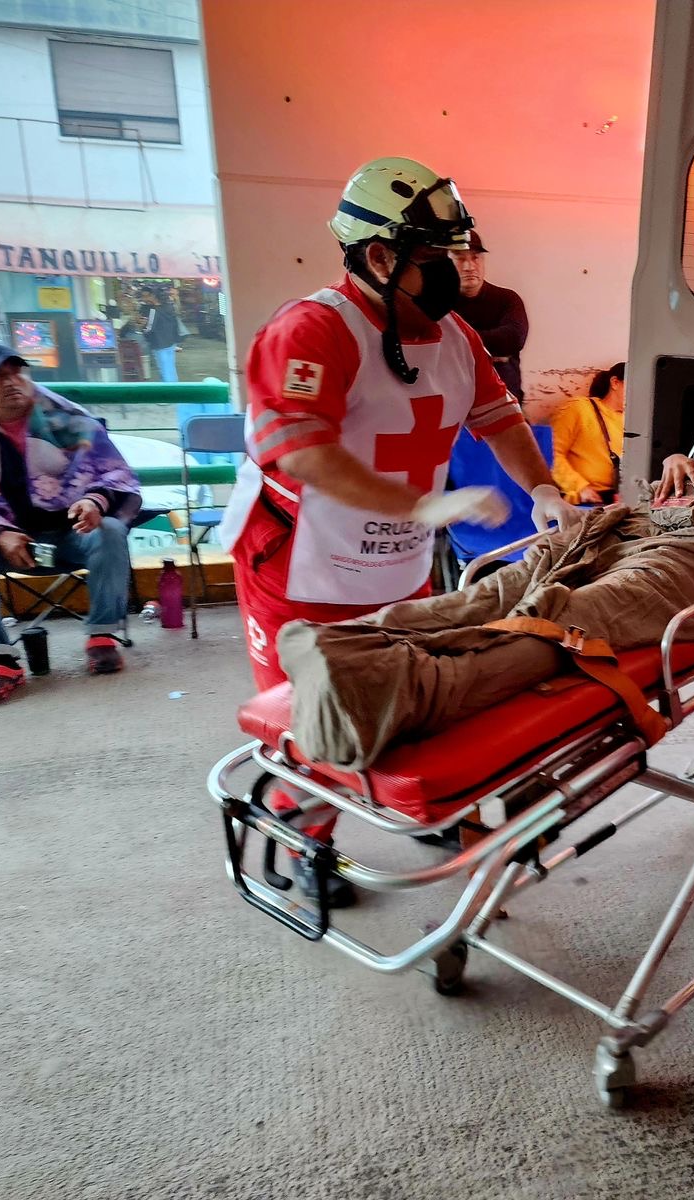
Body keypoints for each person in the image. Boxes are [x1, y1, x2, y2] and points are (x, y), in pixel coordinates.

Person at [276, 318, 694, 774]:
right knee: (513, 585)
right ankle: (352, 644)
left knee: (570, 619)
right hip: (642, 520)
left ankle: (400, 692)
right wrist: (679, 458)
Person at [217, 155, 578, 905]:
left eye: (460, 252)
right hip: (300, 566)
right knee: (316, 725)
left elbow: (499, 419)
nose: (458, 271)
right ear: (379, 257)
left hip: (399, 562)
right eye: (438, 258)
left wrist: (544, 489)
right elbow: (302, 452)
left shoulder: (454, 337)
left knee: (410, 694)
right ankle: (299, 842)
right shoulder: (312, 330)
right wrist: (415, 506)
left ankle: (417, 805)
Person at [0, 342, 140, 705]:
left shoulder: (63, 417)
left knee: (110, 530)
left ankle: (102, 637)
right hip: (2, 541)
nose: (11, 382)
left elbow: (113, 473)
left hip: (68, 533)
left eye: (17, 372)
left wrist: (93, 500)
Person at [450, 231, 528, 400]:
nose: (469, 266)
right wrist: (491, 354)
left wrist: (457, 345)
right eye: (460, 258)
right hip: (455, 405)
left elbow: (514, 339)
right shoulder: (438, 304)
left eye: (475, 257)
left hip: (505, 401)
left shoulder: (507, 299)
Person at [550, 362, 625, 504]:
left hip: (616, 501)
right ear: (615, 383)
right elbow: (551, 455)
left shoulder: (634, 422)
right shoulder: (579, 408)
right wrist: (581, 487)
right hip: (582, 501)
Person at [139, 285, 184, 383]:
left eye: (149, 296)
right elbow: (175, 324)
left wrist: (142, 329)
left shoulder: (154, 311)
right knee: (171, 369)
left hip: (159, 344)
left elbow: (149, 329)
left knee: (164, 371)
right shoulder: (169, 307)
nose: (146, 298)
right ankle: (176, 390)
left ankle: (169, 393)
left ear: (154, 297)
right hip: (170, 343)